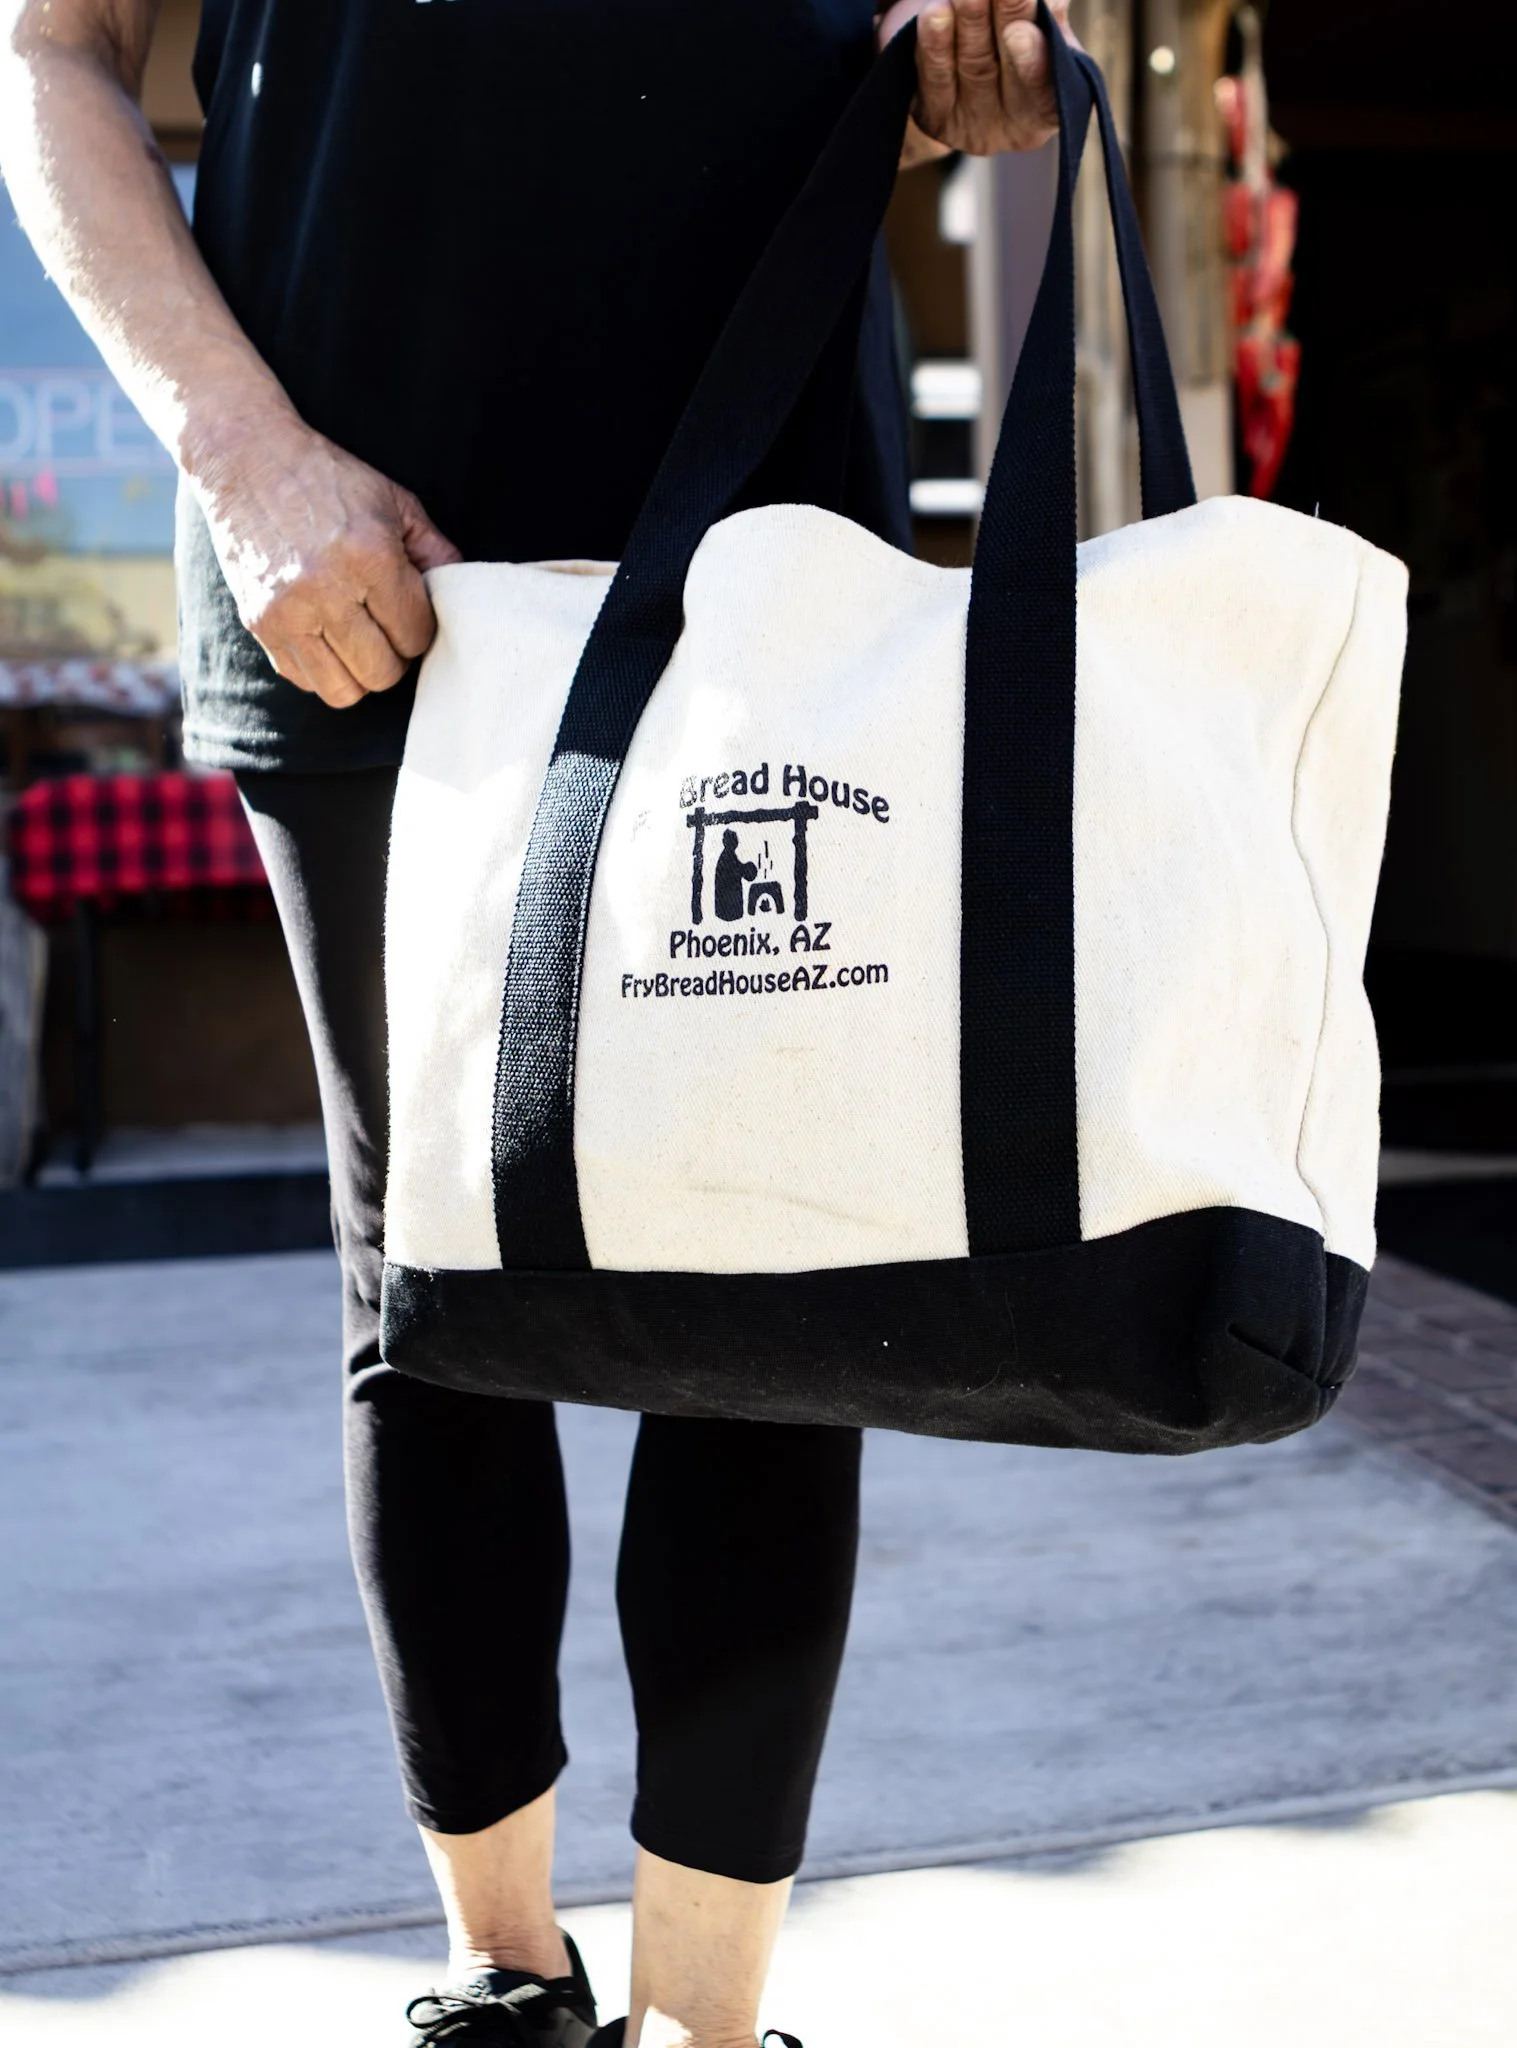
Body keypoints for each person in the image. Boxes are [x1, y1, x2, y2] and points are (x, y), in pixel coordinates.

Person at [0, 2, 1070, 2040]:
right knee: (431, 1280)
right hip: (358, 554)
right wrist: (243, 459)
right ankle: (504, 1984)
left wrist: (965, 49)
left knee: (770, 1275)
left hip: (769, 505)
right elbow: (47, 52)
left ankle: (705, 2019)